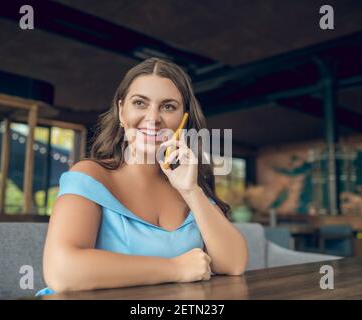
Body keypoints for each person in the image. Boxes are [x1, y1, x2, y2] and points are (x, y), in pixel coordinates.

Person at [36, 58, 248, 295]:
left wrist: (191, 191)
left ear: (183, 120)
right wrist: (175, 268)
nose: (153, 118)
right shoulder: (89, 175)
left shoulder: (187, 184)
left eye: (168, 106)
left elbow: (233, 264)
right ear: (121, 111)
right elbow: (62, 272)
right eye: (140, 103)